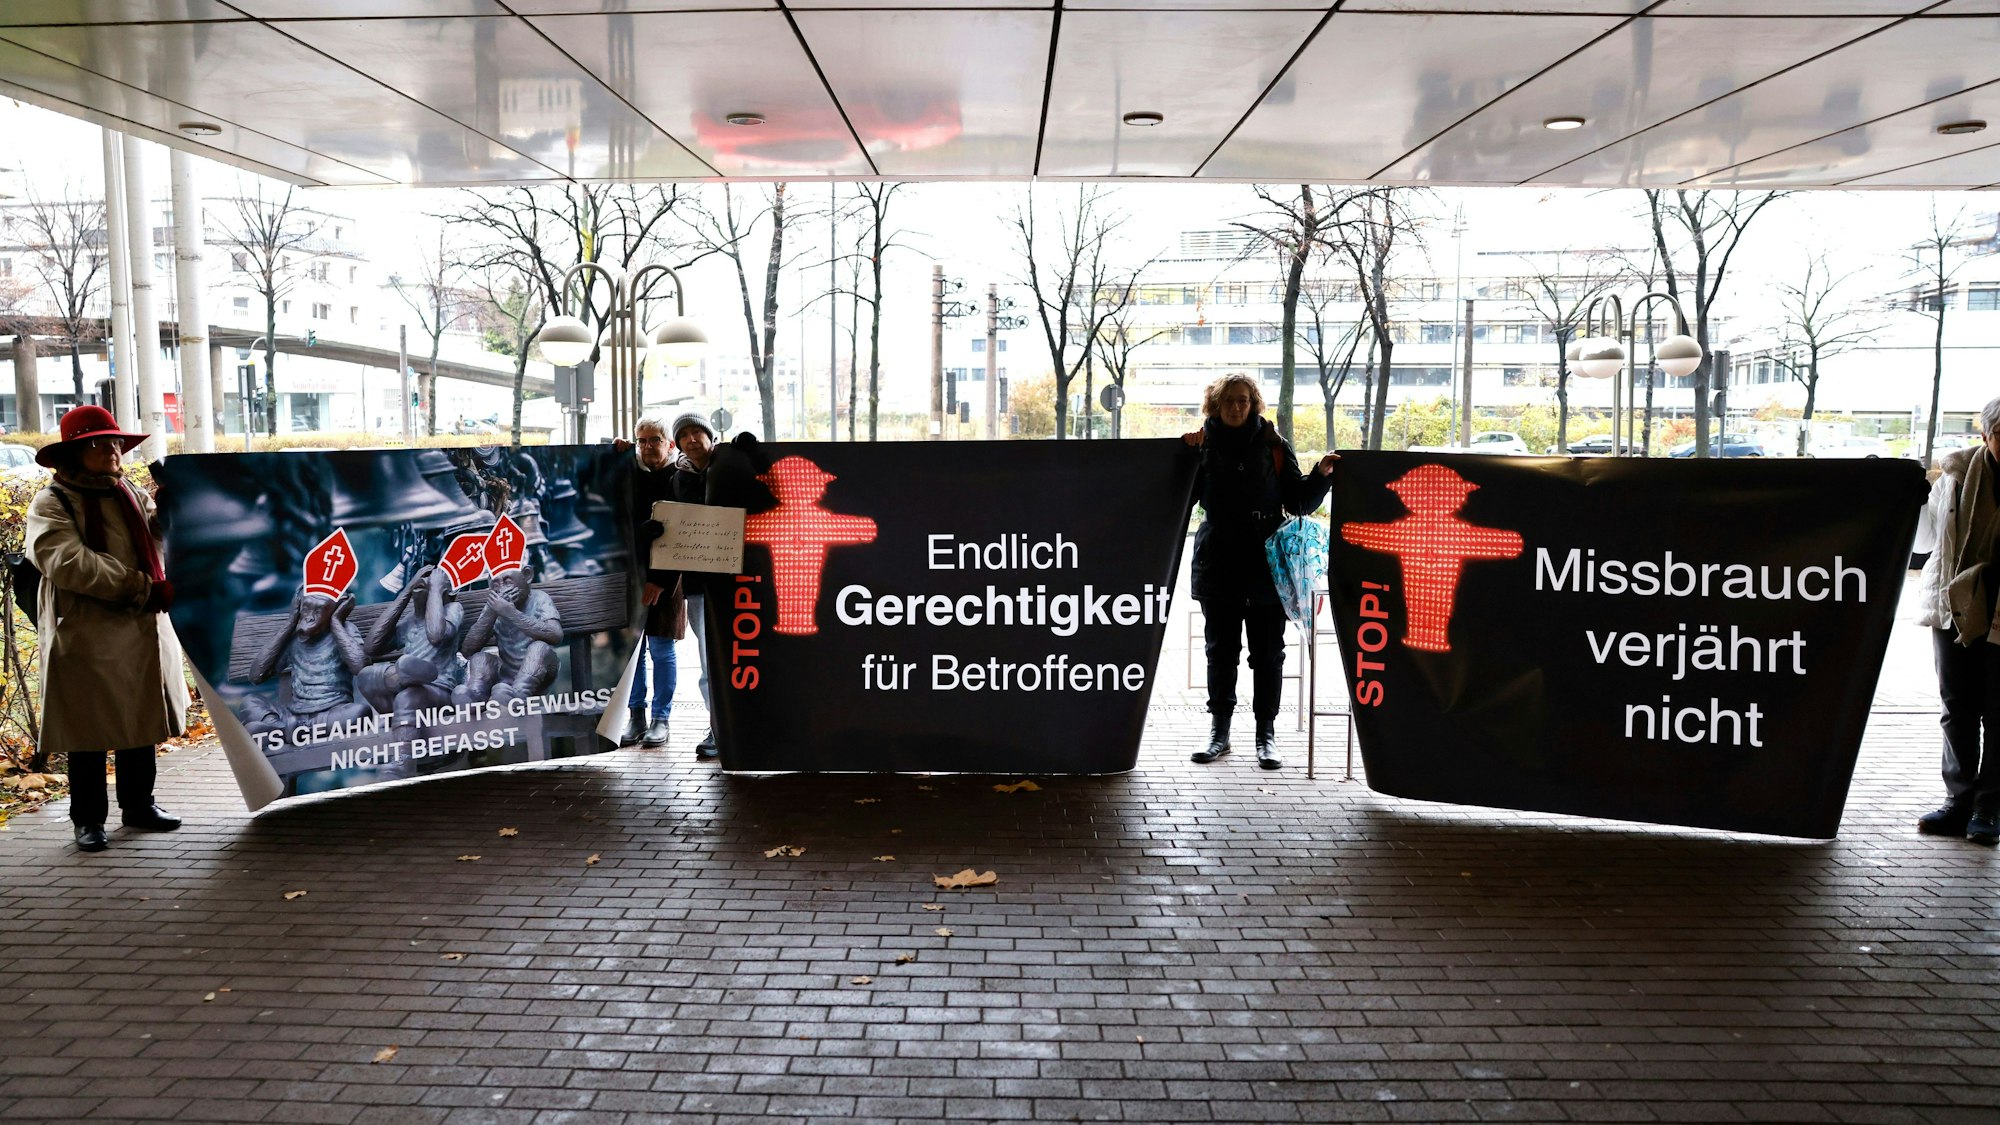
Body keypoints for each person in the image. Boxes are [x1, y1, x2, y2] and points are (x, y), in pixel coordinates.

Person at [26, 406, 187, 852]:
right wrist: (141, 587)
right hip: (85, 630)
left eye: (117, 442)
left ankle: (139, 805)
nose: (114, 450)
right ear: (75, 453)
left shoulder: (128, 492)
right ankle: (88, 819)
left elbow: (153, 538)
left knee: (139, 718)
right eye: (102, 443)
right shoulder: (52, 501)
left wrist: (170, 513)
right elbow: (68, 562)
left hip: (138, 625)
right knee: (88, 729)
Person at [1182, 374, 1337, 770]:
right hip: (1218, 562)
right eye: (1229, 400)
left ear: (1254, 404)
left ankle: (1265, 735)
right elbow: (1174, 498)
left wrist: (1320, 476)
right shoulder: (1200, 446)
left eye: (1244, 400)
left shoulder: (1274, 445)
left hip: (1268, 565)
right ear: (1215, 405)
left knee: (1268, 655)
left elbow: (1299, 501)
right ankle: (1219, 733)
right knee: (1221, 653)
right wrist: (1182, 456)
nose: (1237, 406)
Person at [1913, 396, 2000, 845]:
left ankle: (1989, 807)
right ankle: (1959, 801)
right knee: (1957, 709)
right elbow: (1927, 539)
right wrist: (1910, 496)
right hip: (1955, 605)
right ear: (1984, 435)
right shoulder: (1955, 475)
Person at [670, 412, 768, 760]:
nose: (693, 439)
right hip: (702, 584)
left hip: (746, 577)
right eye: (685, 435)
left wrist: (749, 451)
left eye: (699, 432)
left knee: (754, 652)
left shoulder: (729, 465)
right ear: (678, 443)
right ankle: (718, 726)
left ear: (711, 437)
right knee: (709, 658)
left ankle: (754, 724)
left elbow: (764, 483)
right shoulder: (679, 478)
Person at [624, 416, 686, 748]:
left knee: (662, 649)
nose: (648, 446)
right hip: (633, 576)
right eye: (642, 441)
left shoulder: (679, 476)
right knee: (634, 652)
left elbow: (683, 535)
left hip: (667, 579)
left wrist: (661, 582)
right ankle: (636, 716)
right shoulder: (631, 474)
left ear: (669, 444)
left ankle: (661, 719)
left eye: (655, 440)